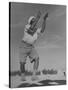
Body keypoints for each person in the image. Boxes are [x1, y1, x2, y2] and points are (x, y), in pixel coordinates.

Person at [19, 11, 48, 81]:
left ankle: (34, 76)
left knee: (37, 58)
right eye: (34, 20)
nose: (35, 20)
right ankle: (23, 76)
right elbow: (31, 29)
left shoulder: (36, 30)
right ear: (30, 21)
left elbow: (42, 30)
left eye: (35, 19)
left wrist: (44, 20)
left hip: (31, 47)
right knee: (22, 63)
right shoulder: (27, 26)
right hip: (23, 46)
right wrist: (38, 17)